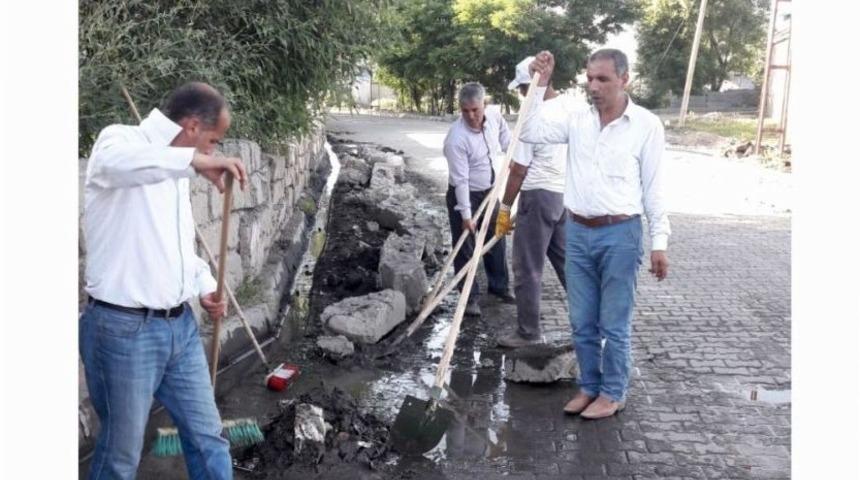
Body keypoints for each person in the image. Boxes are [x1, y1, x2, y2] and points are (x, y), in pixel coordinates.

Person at [80, 81, 248, 479]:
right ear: (191, 127)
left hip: (180, 329)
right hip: (123, 331)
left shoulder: (176, 169)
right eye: (213, 141)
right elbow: (114, 165)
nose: (213, 151)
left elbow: (174, 247)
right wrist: (194, 160)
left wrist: (204, 284)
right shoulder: (120, 141)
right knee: (120, 456)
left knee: (209, 438)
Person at [521, 49, 670, 419]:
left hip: (621, 234)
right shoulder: (577, 120)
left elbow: (654, 188)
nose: (594, 86)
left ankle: (613, 393)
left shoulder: (646, 125)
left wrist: (659, 242)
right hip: (577, 232)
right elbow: (528, 131)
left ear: (624, 79)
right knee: (582, 320)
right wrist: (539, 84)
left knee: (614, 324)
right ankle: (589, 386)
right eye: (589, 78)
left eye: (603, 79)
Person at [495, 56, 572, 348]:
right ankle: (592, 326)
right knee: (569, 267)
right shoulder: (568, 107)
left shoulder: (533, 116)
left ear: (530, 86)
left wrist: (504, 208)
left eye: (521, 88)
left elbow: (518, 170)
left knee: (527, 268)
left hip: (537, 196)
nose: (520, 94)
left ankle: (528, 333)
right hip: (563, 198)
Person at [443, 82, 515, 317]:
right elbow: (461, 181)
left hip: (490, 191)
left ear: (484, 104)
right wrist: (466, 215)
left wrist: (510, 151)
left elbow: (504, 133)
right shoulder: (456, 138)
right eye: (465, 111)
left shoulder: (494, 115)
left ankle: (499, 287)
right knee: (465, 244)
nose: (471, 116)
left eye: (475, 109)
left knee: (496, 236)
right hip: (464, 195)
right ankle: (469, 297)